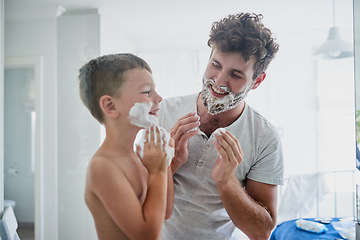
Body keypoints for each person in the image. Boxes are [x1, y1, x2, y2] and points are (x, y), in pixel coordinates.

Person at [158, 13, 284, 239]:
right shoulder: (163, 112)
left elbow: (261, 231)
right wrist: (170, 163)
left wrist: (226, 181)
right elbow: (136, 197)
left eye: (235, 74)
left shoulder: (265, 139)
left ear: (257, 81)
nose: (218, 82)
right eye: (215, 65)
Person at [79, 53, 173, 240]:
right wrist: (157, 171)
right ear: (111, 106)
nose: (159, 97)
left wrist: (166, 160)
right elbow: (147, 236)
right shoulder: (103, 167)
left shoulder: (137, 155)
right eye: (147, 92)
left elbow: (165, 211)